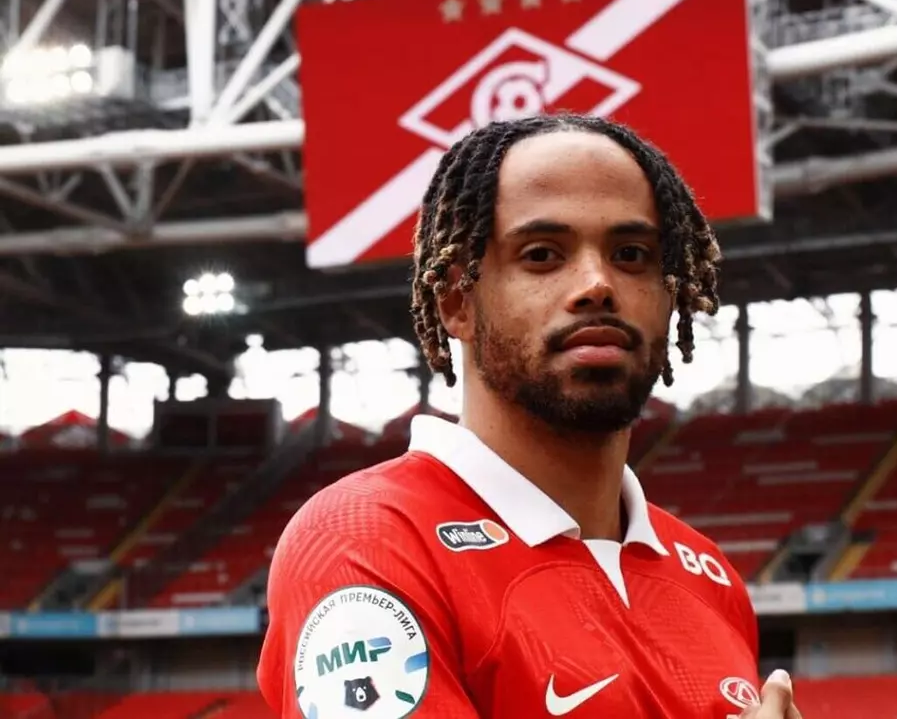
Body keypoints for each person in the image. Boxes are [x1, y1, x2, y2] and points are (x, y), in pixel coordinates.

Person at [257, 113, 803, 718]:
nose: (597, 285)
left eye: (631, 254)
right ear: (457, 302)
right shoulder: (366, 537)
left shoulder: (711, 575)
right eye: (542, 254)